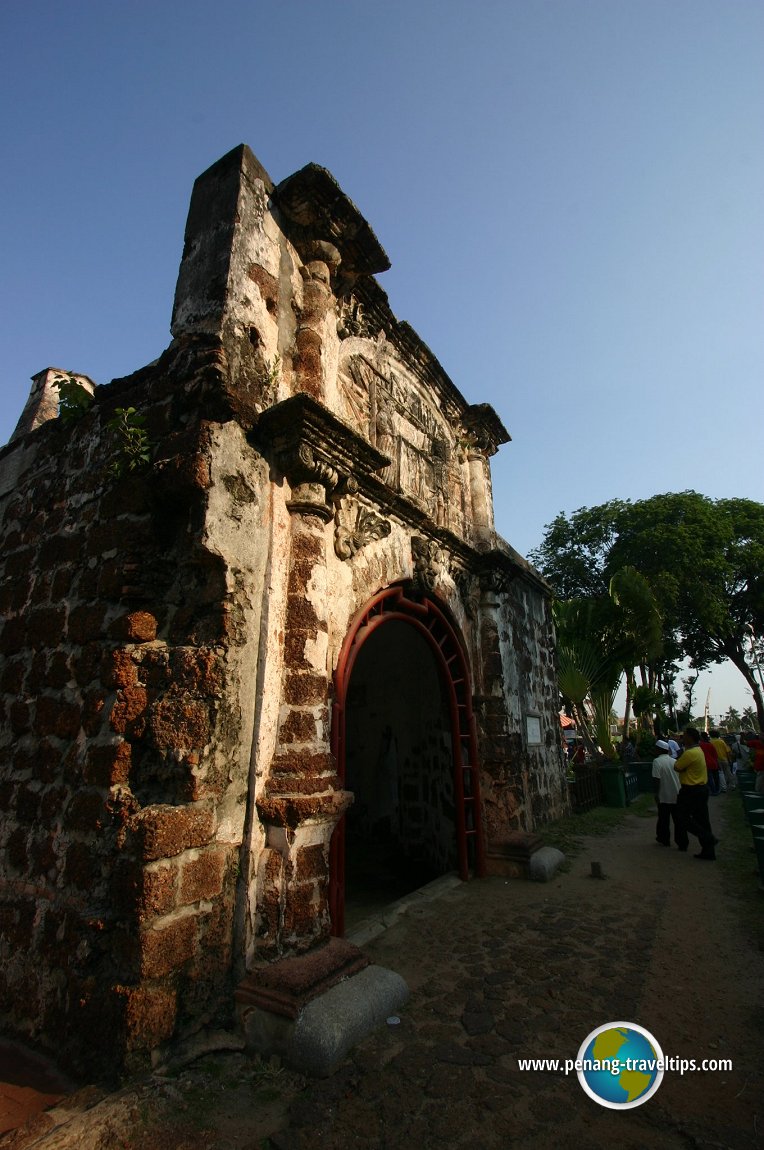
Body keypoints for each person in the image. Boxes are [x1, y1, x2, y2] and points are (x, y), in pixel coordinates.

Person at [674, 727, 717, 860]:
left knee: (681, 817)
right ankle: (708, 851)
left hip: (690, 790)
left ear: (690, 738)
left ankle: (707, 837)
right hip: (701, 789)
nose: (683, 738)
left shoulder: (690, 753)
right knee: (702, 819)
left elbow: (677, 767)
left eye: (685, 736)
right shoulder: (698, 750)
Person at [652, 739, 684, 848]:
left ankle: (664, 839)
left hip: (664, 795)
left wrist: (656, 794)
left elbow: (656, 779)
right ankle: (681, 842)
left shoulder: (657, 761)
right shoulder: (674, 761)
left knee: (663, 819)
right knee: (678, 820)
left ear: (659, 750)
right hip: (676, 794)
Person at [699, 730, 720, 795]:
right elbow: (715, 755)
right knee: (716, 777)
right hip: (714, 763)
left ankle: (713, 791)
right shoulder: (710, 744)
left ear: (702, 737)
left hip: (706, 764)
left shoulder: (700, 745)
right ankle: (717, 789)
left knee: (710, 779)